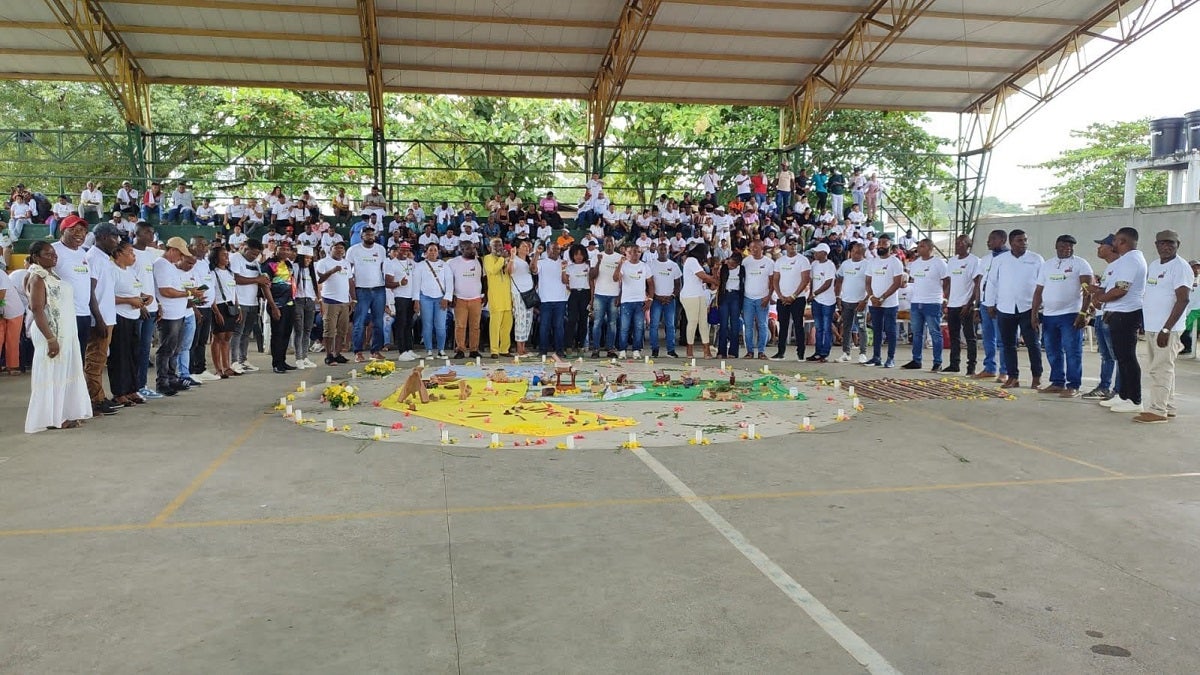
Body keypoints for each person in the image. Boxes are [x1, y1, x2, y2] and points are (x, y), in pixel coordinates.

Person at [23, 241, 92, 432]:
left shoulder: (52, 275)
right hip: (51, 332)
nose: (54, 256)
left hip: (65, 330)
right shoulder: (37, 277)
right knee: (52, 372)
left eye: (54, 254)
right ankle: (52, 417)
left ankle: (62, 412)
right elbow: (37, 309)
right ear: (36, 257)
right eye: (48, 254)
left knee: (63, 372)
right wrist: (50, 339)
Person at [1133, 230, 1191, 423]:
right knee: (1162, 367)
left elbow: (1182, 300)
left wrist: (1166, 328)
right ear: (1156, 245)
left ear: (1177, 245)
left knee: (1161, 368)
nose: (1166, 247)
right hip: (1152, 326)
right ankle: (1168, 405)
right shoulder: (1154, 265)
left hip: (1168, 329)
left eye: (1171, 244)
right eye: (1162, 243)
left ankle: (1157, 410)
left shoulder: (1180, 267)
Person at [1088, 227, 1147, 414]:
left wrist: (1099, 299)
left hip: (1126, 314)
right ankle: (1124, 396)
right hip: (1119, 313)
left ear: (1122, 241)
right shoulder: (1128, 259)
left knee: (1127, 358)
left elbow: (1121, 289)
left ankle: (1135, 400)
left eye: (1115, 241)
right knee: (1122, 358)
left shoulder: (1131, 260)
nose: (1112, 243)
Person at [1030, 235, 1093, 397]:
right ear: (1056, 246)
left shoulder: (1080, 264)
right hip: (1049, 315)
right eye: (1063, 246)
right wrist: (1034, 313)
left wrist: (1083, 313)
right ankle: (1057, 382)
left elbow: (1088, 292)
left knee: (1072, 351)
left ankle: (1073, 385)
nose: (1067, 249)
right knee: (1052, 350)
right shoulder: (1047, 265)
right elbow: (1038, 291)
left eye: (1070, 246)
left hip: (1071, 314)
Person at [985, 229, 1045, 389]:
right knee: (1008, 345)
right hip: (1005, 308)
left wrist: (1039, 308)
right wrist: (990, 303)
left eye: (1025, 240)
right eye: (1019, 240)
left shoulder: (1036, 259)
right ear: (1011, 242)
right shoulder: (1000, 260)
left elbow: (1043, 284)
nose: (1024, 243)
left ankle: (1036, 377)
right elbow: (991, 282)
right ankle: (1013, 377)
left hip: (1028, 309)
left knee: (1033, 344)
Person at [154, 237, 203, 395]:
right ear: (173, 250)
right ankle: (162, 381)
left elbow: (174, 288)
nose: (181, 258)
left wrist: (191, 294)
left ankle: (171, 378)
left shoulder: (170, 266)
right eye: (180, 254)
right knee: (166, 349)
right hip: (169, 314)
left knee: (175, 349)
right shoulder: (161, 265)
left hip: (178, 312)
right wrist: (189, 293)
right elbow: (165, 291)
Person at [83, 223, 123, 414]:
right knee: (95, 360)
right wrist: (98, 319)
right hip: (99, 318)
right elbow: (90, 290)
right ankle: (95, 400)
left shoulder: (104, 258)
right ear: (104, 237)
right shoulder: (93, 258)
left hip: (107, 316)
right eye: (115, 237)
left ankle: (98, 396)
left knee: (100, 359)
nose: (117, 241)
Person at [901, 239, 950, 372]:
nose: (919, 249)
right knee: (917, 333)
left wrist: (944, 298)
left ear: (930, 248)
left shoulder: (939, 263)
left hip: (933, 302)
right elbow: (914, 280)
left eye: (922, 246)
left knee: (935, 332)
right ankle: (916, 360)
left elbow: (946, 281)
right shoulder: (915, 264)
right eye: (918, 246)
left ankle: (937, 362)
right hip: (917, 302)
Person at [1082, 235, 1121, 401]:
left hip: (1111, 316)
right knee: (1106, 356)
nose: (1098, 248)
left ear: (1112, 247)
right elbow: (1106, 290)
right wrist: (1095, 290)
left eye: (1101, 245)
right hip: (1100, 315)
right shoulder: (1109, 268)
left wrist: (1099, 295)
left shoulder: (1121, 266)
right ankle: (1104, 387)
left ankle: (1119, 390)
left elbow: (1119, 291)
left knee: (1118, 356)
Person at [973, 229, 1009, 383]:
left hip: (1000, 305)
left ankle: (1005, 371)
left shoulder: (1009, 258)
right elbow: (980, 282)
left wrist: (995, 303)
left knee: (1003, 340)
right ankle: (989, 368)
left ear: (1002, 240)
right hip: (984, 304)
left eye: (992, 239)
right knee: (988, 338)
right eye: (988, 239)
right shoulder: (986, 259)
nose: (988, 242)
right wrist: (977, 305)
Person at [346, 226, 387, 361]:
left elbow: (383, 268)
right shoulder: (353, 250)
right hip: (361, 289)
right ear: (361, 236)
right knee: (359, 322)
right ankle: (358, 352)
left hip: (378, 289)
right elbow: (348, 272)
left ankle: (375, 350)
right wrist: (352, 293)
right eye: (367, 234)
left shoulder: (380, 249)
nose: (370, 236)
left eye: (372, 234)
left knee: (378, 322)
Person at [229, 239, 269, 373]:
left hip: (253, 302)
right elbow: (235, 278)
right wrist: (257, 280)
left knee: (246, 333)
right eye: (252, 253)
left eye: (257, 254)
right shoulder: (236, 258)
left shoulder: (256, 263)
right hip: (240, 301)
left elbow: (260, 279)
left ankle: (243, 359)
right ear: (244, 248)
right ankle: (234, 361)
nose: (254, 257)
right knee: (237, 333)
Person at [943, 235, 982, 375]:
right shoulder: (952, 261)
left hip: (966, 304)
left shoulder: (974, 261)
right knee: (954, 336)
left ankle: (971, 367)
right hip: (953, 303)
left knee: (970, 336)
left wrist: (971, 302)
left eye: (961, 243)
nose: (958, 245)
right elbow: (949, 282)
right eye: (956, 243)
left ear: (968, 245)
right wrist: (945, 300)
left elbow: (977, 283)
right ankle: (954, 364)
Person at [864, 234, 903, 368]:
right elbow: (868, 282)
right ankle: (876, 357)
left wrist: (882, 298)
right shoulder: (872, 262)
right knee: (877, 329)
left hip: (889, 303)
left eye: (884, 243)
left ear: (889, 246)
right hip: (874, 302)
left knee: (890, 330)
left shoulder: (895, 262)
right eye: (879, 243)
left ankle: (890, 358)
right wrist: (872, 297)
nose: (880, 245)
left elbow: (897, 283)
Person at [770, 238, 810, 361]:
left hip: (798, 298)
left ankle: (801, 353)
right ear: (785, 246)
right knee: (783, 325)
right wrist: (780, 295)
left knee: (798, 325)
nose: (793, 246)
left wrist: (793, 296)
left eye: (795, 244)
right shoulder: (780, 261)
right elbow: (775, 280)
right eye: (790, 244)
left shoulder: (803, 260)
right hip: (782, 298)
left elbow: (805, 280)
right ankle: (780, 352)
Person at [315, 240, 354, 365]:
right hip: (330, 300)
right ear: (331, 249)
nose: (339, 250)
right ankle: (328, 355)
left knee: (342, 330)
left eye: (342, 248)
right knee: (329, 330)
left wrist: (353, 299)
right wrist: (332, 271)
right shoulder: (323, 262)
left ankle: (337, 353)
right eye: (336, 248)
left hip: (344, 301)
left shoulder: (346, 263)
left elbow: (350, 281)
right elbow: (319, 279)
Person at [411, 242, 452, 358]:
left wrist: (447, 298)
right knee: (427, 325)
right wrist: (416, 300)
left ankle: (441, 350)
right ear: (426, 252)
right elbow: (416, 284)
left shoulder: (444, 265)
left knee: (440, 325)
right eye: (430, 250)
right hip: (425, 298)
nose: (433, 252)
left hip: (441, 299)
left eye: (435, 250)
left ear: (438, 252)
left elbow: (449, 283)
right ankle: (429, 350)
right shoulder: (420, 266)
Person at [614, 243, 653, 359]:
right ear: (626, 253)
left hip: (640, 301)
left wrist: (650, 299)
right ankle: (622, 350)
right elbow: (615, 278)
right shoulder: (624, 265)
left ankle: (636, 350)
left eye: (637, 252)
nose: (634, 254)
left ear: (640, 253)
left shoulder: (644, 266)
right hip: (626, 301)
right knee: (624, 327)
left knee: (639, 327)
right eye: (631, 252)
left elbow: (650, 283)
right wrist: (620, 264)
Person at [679, 243, 718, 359]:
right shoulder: (691, 260)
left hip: (699, 294)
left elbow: (705, 280)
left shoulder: (696, 263)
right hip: (690, 295)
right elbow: (703, 277)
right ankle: (689, 350)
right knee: (693, 321)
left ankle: (706, 350)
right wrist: (715, 280)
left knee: (703, 322)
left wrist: (714, 272)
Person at [446, 241, 484, 359]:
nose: (472, 251)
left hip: (476, 298)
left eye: (473, 248)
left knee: (475, 326)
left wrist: (485, 294)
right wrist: (450, 295)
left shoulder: (480, 261)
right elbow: (448, 280)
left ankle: (474, 350)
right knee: (460, 325)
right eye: (469, 249)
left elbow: (484, 278)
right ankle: (460, 349)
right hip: (460, 299)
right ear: (461, 250)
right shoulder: (452, 263)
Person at [533, 242, 569, 359]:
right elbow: (533, 269)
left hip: (560, 299)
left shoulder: (564, 263)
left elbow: (565, 281)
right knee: (544, 326)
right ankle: (543, 350)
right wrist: (537, 254)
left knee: (559, 326)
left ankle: (559, 350)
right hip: (546, 300)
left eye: (558, 249)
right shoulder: (541, 262)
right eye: (553, 249)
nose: (556, 251)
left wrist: (563, 269)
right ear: (548, 250)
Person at [646, 242, 682, 358]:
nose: (662, 251)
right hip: (656, 299)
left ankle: (671, 350)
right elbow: (648, 283)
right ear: (657, 250)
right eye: (660, 249)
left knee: (671, 325)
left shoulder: (674, 265)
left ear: (668, 250)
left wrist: (672, 296)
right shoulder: (650, 265)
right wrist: (655, 296)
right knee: (654, 325)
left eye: (664, 249)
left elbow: (678, 284)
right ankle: (654, 349)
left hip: (670, 300)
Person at [208, 245, 239, 378]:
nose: (227, 257)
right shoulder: (213, 273)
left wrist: (238, 307)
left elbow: (234, 291)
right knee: (218, 337)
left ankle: (227, 366)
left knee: (227, 337)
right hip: (219, 306)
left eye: (227, 255)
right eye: (223, 255)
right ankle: (218, 368)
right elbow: (211, 293)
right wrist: (216, 312)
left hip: (231, 306)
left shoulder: (230, 272)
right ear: (216, 258)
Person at [740, 240, 774, 360]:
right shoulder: (746, 261)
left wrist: (768, 297)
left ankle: (761, 351)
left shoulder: (769, 263)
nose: (753, 250)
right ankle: (749, 351)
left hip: (762, 298)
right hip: (748, 298)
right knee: (748, 326)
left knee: (763, 325)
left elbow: (772, 282)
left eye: (755, 248)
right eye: (751, 248)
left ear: (761, 248)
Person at [384, 242, 417, 361]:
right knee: (401, 324)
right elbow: (387, 283)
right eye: (402, 249)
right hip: (399, 297)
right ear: (397, 250)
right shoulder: (391, 264)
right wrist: (399, 283)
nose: (405, 252)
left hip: (411, 297)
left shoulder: (411, 263)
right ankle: (402, 351)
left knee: (409, 324)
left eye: (407, 250)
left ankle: (409, 349)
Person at [483, 238, 514, 358]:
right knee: (495, 326)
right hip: (495, 297)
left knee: (507, 325)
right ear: (490, 248)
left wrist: (509, 259)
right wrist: (502, 259)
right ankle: (494, 350)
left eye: (500, 245)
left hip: (507, 297)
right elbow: (493, 270)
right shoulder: (487, 258)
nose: (498, 248)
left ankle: (504, 349)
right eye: (495, 246)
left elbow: (509, 272)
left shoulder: (505, 259)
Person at [808, 243, 838, 362]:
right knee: (818, 327)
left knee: (826, 327)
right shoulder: (814, 264)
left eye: (817, 252)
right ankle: (817, 351)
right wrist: (811, 294)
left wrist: (814, 293)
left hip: (827, 301)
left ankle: (824, 353)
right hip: (816, 300)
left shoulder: (830, 265)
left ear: (824, 253)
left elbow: (828, 283)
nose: (815, 254)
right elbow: (811, 280)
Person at [292, 245, 320, 368]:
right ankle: (298, 358)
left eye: (310, 259)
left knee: (307, 329)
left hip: (310, 301)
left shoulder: (312, 270)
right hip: (298, 300)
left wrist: (318, 299)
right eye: (306, 258)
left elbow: (316, 285)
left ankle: (305, 356)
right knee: (299, 329)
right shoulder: (295, 267)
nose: (308, 261)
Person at [564, 244, 592, 357]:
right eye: (576, 254)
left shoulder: (588, 266)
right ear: (572, 255)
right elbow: (564, 280)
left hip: (585, 294)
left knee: (583, 321)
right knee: (571, 320)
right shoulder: (569, 267)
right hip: (573, 295)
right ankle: (569, 346)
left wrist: (592, 298)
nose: (579, 256)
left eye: (581, 254)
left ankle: (581, 346)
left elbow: (591, 283)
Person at [509, 239, 536, 356]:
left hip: (529, 293)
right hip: (519, 294)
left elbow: (534, 270)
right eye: (524, 246)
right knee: (520, 319)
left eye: (527, 246)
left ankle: (523, 347)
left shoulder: (527, 261)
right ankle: (519, 348)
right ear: (518, 248)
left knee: (527, 320)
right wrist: (511, 257)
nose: (526, 248)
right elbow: (509, 271)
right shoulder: (514, 260)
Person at [716, 251, 744, 359]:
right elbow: (718, 280)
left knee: (734, 324)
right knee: (723, 324)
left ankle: (733, 351)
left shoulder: (742, 270)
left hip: (736, 296)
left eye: (733, 264)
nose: (731, 266)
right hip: (725, 295)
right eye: (730, 263)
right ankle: (721, 351)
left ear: (738, 263)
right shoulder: (724, 268)